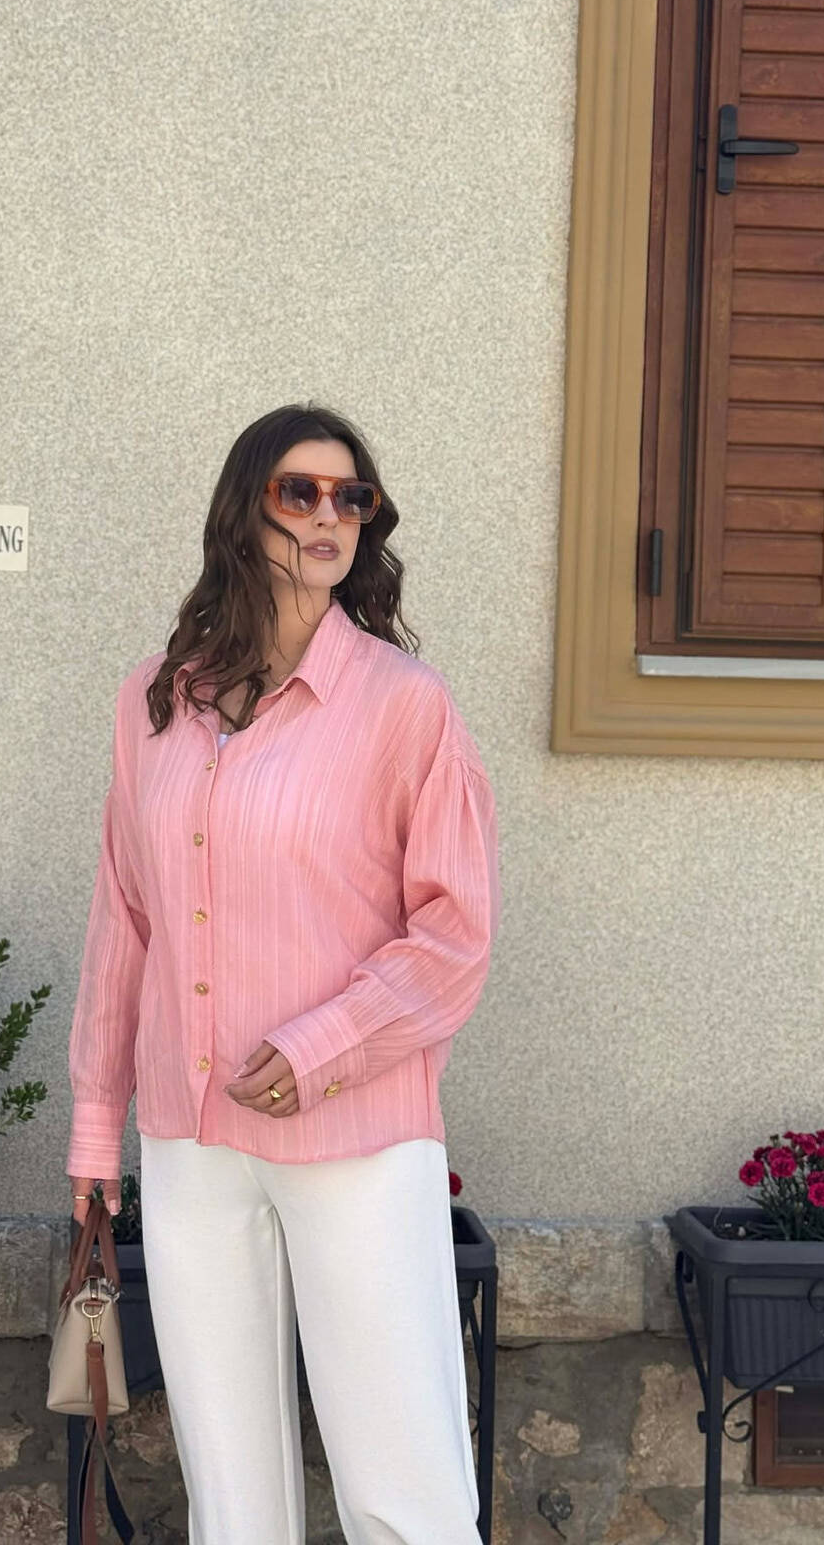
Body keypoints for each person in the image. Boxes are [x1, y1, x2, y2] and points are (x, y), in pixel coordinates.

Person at [66, 401, 501, 1545]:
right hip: (191, 1138)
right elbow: (126, 917)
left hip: (355, 1137)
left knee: (400, 1479)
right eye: (298, 491)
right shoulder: (155, 700)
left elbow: (453, 936)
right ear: (242, 510)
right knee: (230, 1485)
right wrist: (97, 1122)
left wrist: (318, 1050)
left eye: (351, 498)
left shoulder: (405, 708)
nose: (328, 516)